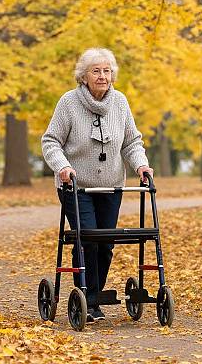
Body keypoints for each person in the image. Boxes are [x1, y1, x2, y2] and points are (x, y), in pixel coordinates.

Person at [41, 48, 153, 322]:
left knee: (106, 244)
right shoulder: (68, 103)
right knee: (88, 239)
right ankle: (89, 301)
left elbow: (131, 142)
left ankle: (93, 295)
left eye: (106, 71)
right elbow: (50, 141)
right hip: (75, 186)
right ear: (84, 76)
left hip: (111, 186)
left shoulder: (120, 103)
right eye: (96, 71)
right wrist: (63, 167)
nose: (102, 76)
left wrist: (141, 164)